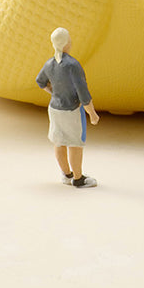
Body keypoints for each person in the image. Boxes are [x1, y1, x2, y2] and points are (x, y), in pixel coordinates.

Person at [36, 27, 100, 188]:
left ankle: (66, 175)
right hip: (71, 111)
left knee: (59, 141)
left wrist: (54, 92)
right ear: (66, 43)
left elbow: (40, 81)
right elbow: (83, 93)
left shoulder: (49, 64)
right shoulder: (73, 65)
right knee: (75, 143)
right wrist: (92, 113)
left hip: (54, 109)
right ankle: (78, 178)